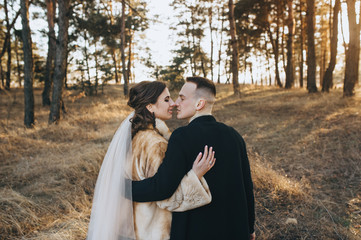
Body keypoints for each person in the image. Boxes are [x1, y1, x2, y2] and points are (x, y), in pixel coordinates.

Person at [87, 81, 215, 240]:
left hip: (134, 227)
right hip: (154, 229)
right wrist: (195, 177)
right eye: (167, 99)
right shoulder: (157, 144)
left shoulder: (133, 138)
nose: (174, 103)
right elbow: (165, 196)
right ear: (150, 106)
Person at [132, 77, 256, 240]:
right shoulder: (235, 136)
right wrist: (250, 227)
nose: (176, 103)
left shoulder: (181, 137)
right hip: (234, 230)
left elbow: (162, 188)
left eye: (182, 98)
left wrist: (124, 188)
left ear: (199, 104)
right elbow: (247, 186)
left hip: (196, 231)